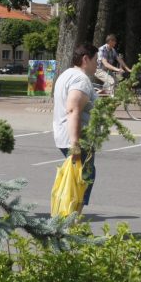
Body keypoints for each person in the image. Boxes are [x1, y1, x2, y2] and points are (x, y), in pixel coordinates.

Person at [53, 43, 99, 212]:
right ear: (85, 59)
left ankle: (70, 221)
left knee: (76, 180)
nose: (97, 64)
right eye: (96, 60)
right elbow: (73, 109)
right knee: (81, 181)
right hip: (77, 139)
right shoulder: (81, 79)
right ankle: (72, 224)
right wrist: (75, 144)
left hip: (63, 136)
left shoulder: (67, 74)